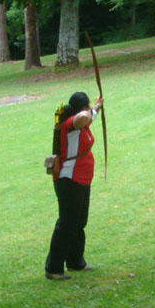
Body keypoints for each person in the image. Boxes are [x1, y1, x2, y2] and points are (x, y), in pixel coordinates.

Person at [45, 91, 104, 280]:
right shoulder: (70, 124)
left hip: (81, 179)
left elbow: (88, 116)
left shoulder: (81, 120)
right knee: (67, 223)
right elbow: (83, 118)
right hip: (69, 179)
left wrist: (96, 107)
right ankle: (54, 268)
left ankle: (75, 262)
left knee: (79, 222)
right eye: (86, 106)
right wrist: (90, 111)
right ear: (81, 108)